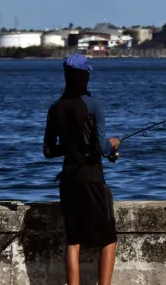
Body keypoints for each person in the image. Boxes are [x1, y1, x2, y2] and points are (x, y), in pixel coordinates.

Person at [43, 53, 120, 285]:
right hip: (91, 178)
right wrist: (114, 144)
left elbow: (48, 150)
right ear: (84, 75)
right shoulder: (93, 105)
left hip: (68, 179)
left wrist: (70, 147)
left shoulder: (55, 107)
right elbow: (100, 147)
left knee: (73, 239)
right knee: (108, 238)